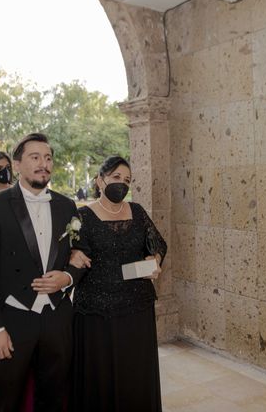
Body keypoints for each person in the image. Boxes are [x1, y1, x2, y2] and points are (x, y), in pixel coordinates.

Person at [0, 132, 88, 412]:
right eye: (35, 157)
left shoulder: (66, 205)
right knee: (6, 400)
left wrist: (67, 277)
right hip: (12, 320)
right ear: (17, 164)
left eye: (48, 158)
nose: (43, 164)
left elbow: (81, 253)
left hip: (57, 320)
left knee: (54, 396)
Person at [69, 156, 166, 412]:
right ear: (100, 180)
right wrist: (71, 255)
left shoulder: (138, 211)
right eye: (116, 178)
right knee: (101, 375)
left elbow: (158, 244)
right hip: (97, 312)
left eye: (127, 180)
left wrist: (154, 260)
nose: (121, 184)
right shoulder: (81, 216)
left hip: (137, 307)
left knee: (134, 370)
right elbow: (70, 254)